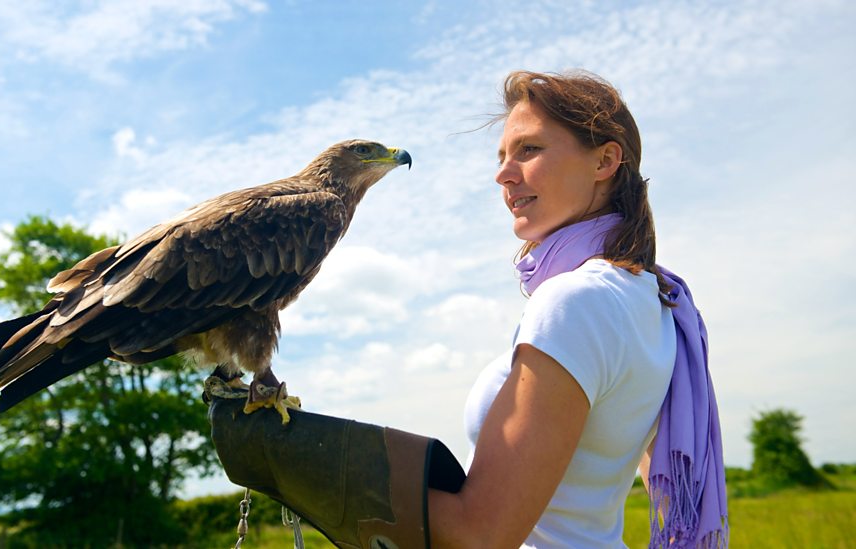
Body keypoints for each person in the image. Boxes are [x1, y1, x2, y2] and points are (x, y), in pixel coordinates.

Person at [207, 70, 728, 549]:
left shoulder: (578, 302)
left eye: (529, 150)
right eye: (501, 157)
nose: (504, 174)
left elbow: (481, 533)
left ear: (604, 161)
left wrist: (296, 462)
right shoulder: (652, 300)